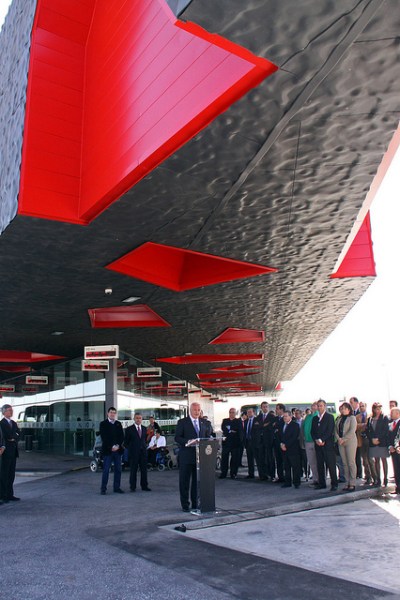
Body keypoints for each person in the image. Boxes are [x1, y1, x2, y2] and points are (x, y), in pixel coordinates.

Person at [174, 402, 213, 512]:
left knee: (197, 482)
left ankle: (196, 504)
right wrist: (188, 441)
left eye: (198, 409)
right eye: (195, 410)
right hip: (186, 456)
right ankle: (185, 504)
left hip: (200, 458)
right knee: (184, 482)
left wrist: (209, 440)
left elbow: (207, 437)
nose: (197, 412)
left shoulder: (204, 422)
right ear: (190, 411)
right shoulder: (182, 422)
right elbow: (177, 438)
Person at [311, 399, 338, 491]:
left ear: (325, 406)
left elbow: (330, 431)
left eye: (321, 405)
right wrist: (316, 440)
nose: (319, 407)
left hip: (327, 445)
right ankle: (322, 483)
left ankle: (334, 484)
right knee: (320, 465)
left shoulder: (329, 417)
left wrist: (322, 439)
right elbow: (312, 432)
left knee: (331, 465)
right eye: (318, 406)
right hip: (318, 446)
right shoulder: (315, 418)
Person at [99, 407, 125, 495]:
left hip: (117, 451)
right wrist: (111, 447)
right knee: (106, 470)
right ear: (107, 413)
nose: (112, 414)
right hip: (108, 451)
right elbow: (104, 437)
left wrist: (117, 445)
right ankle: (103, 489)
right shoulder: (103, 424)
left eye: (114, 412)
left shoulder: (118, 424)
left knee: (118, 469)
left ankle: (116, 488)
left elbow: (121, 436)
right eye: (111, 412)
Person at [125, 413, 151, 492]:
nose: (138, 419)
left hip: (143, 452)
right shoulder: (129, 429)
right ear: (134, 419)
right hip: (134, 453)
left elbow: (145, 440)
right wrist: (131, 449)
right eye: (137, 418)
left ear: (142, 419)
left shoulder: (144, 428)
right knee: (133, 470)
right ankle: (132, 487)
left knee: (144, 470)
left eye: (140, 418)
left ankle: (144, 486)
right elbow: (126, 442)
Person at [0, 404, 21, 503]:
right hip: (5, 452)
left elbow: (18, 434)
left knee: (11, 474)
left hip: (13, 452)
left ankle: (10, 494)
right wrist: (13, 436)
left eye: (11, 410)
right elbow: (5, 436)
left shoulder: (13, 422)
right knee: (4, 474)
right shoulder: (1, 423)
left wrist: (14, 437)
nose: (11, 412)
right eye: (9, 410)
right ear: (4, 412)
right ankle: (3, 495)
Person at [335, 402, 357, 491]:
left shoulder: (352, 418)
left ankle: (352, 483)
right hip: (341, 442)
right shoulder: (339, 418)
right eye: (341, 408)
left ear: (348, 409)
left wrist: (344, 438)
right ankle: (347, 482)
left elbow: (352, 430)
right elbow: (335, 430)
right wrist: (338, 438)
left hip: (350, 442)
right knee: (344, 463)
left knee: (351, 462)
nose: (342, 410)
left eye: (344, 408)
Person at [366, 402, 389, 487]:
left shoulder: (384, 418)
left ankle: (385, 479)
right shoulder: (370, 419)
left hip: (382, 442)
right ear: (374, 409)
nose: (378, 410)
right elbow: (368, 431)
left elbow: (385, 430)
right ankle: (378, 479)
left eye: (380, 408)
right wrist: (372, 439)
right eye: (377, 409)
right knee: (376, 461)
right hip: (373, 443)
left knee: (384, 460)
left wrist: (378, 439)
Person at [253, 401, 275, 481]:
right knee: (260, 459)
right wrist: (264, 425)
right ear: (261, 408)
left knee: (270, 458)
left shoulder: (272, 417)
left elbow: (271, 428)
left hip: (269, 441)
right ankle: (262, 475)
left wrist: (261, 426)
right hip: (260, 441)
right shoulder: (257, 417)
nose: (265, 408)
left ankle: (272, 475)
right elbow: (255, 428)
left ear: (268, 407)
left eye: (266, 406)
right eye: (263, 407)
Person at [280, 411, 302, 488]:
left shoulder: (295, 425)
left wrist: (286, 445)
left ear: (290, 417)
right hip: (284, 449)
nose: (285, 418)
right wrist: (282, 444)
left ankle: (296, 482)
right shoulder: (282, 425)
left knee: (295, 466)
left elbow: (294, 437)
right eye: (284, 416)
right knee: (286, 466)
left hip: (293, 449)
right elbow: (281, 436)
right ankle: (287, 482)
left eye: (286, 416)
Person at [357, 401, 376, 485]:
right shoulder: (357, 416)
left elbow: (372, 426)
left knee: (371, 460)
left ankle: (375, 477)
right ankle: (368, 477)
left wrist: (363, 425)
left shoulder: (371, 415)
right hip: (361, 440)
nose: (361, 407)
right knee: (364, 460)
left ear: (366, 406)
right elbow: (356, 426)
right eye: (360, 406)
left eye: (363, 406)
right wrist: (363, 425)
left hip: (369, 440)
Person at [220, 408, 242, 479]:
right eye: (230, 412)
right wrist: (231, 431)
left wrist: (230, 431)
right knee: (224, 459)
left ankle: (233, 473)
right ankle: (223, 473)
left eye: (233, 412)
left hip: (235, 443)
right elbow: (224, 429)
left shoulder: (238, 421)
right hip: (226, 443)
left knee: (234, 459)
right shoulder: (225, 421)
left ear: (235, 413)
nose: (231, 414)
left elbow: (238, 430)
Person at [303, 402, 319, 487]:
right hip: (308, 441)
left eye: (315, 405)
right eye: (312, 406)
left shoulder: (318, 416)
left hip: (315, 441)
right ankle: (315, 479)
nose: (313, 407)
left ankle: (320, 479)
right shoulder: (307, 417)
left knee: (318, 462)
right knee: (312, 462)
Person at [388, 407, 400, 495]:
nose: (391, 414)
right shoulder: (391, 424)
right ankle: (398, 487)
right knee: (396, 469)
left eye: (392, 412)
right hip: (393, 450)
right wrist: (390, 446)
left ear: (398, 413)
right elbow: (388, 436)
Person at [244, 407, 256, 478]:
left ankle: (262, 475)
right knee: (249, 459)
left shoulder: (257, 420)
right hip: (248, 442)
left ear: (253, 412)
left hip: (255, 442)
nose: (249, 413)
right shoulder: (246, 421)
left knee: (258, 459)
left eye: (250, 412)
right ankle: (251, 474)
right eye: (248, 412)